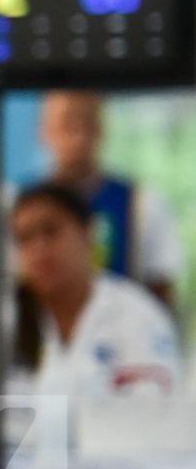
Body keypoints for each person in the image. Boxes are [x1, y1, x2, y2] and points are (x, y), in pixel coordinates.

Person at [0, 182, 181, 398]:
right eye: (24, 238)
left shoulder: (137, 314)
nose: (39, 248)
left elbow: (155, 406)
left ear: (87, 233)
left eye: (50, 231)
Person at [35, 89, 184, 308]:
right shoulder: (20, 210)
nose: (78, 134)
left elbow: (161, 295)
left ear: (101, 129)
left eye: (87, 121)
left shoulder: (142, 204)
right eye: (67, 122)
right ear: (44, 130)